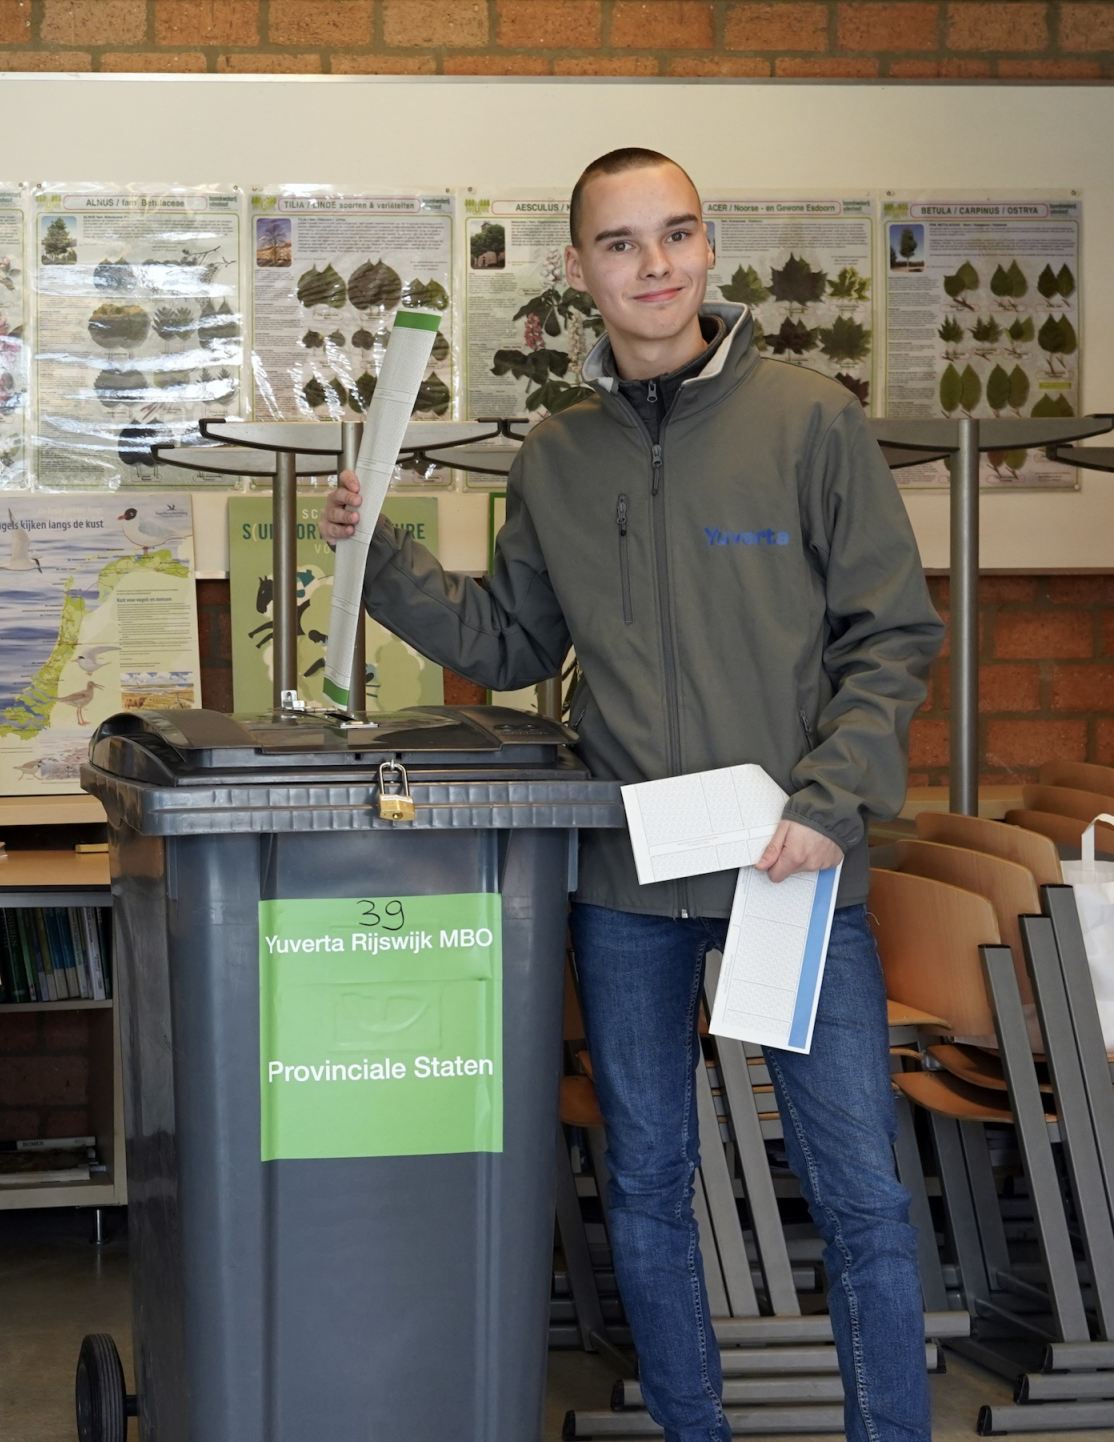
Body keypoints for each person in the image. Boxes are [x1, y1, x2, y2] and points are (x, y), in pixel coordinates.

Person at [321, 148, 942, 1442]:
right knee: (650, 1182)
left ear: (710, 249)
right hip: (631, 873)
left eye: (678, 235)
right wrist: (376, 551)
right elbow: (509, 640)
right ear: (579, 273)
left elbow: (891, 635)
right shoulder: (559, 453)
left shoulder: (809, 419)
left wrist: (829, 803)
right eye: (622, 244)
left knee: (861, 1188)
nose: (655, 266)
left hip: (797, 866)